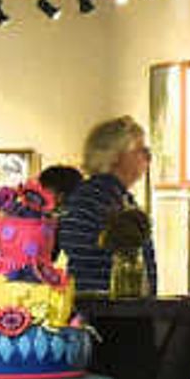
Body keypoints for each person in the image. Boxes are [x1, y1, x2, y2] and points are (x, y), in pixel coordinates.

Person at [51, 116, 153, 297]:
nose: (148, 157)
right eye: (140, 150)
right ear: (115, 156)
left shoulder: (110, 196)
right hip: (106, 313)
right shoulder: (97, 199)